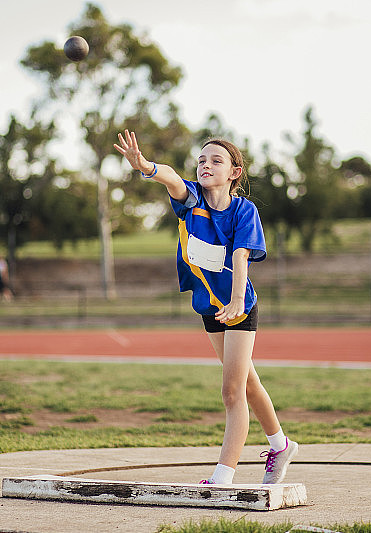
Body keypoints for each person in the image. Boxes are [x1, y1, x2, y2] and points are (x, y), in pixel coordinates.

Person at [114, 130, 298, 485]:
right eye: (201, 160)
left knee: (231, 390)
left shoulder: (244, 210)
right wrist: (146, 166)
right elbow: (169, 177)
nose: (206, 166)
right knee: (247, 384)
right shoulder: (190, 200)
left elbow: (241, 255)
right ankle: (281, 444)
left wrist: (237, 300)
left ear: (234, 172)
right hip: (208, 306)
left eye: (216, 161)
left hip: (239, 306)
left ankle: (223, 475)